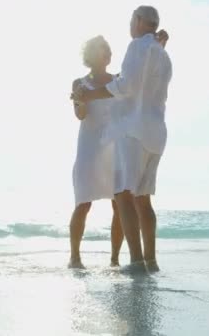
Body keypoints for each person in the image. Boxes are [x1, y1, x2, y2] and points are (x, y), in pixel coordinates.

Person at [72, 6, 172, 273]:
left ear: (139, 21)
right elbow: (145, 83)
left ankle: (135, 261)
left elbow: (127, 86)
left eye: (131, 20)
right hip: (155, 132)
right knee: (142, 198)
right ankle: (150, 261)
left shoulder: (138, 47)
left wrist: (90, 96)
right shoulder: (162, 54)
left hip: (132, 133)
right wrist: (158, 44)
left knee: (123, 195)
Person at [69, 36, 124, 269]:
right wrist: (80, 101)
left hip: (114, 147)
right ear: (90, 56)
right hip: (89, 147)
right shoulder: (79, 82)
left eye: (107, 50)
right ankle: (75, 257)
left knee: (119, 204)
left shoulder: (119, 80)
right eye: (100, 50)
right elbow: (81, 115)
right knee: (83, 202)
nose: (105, 54)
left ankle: (114, 259)